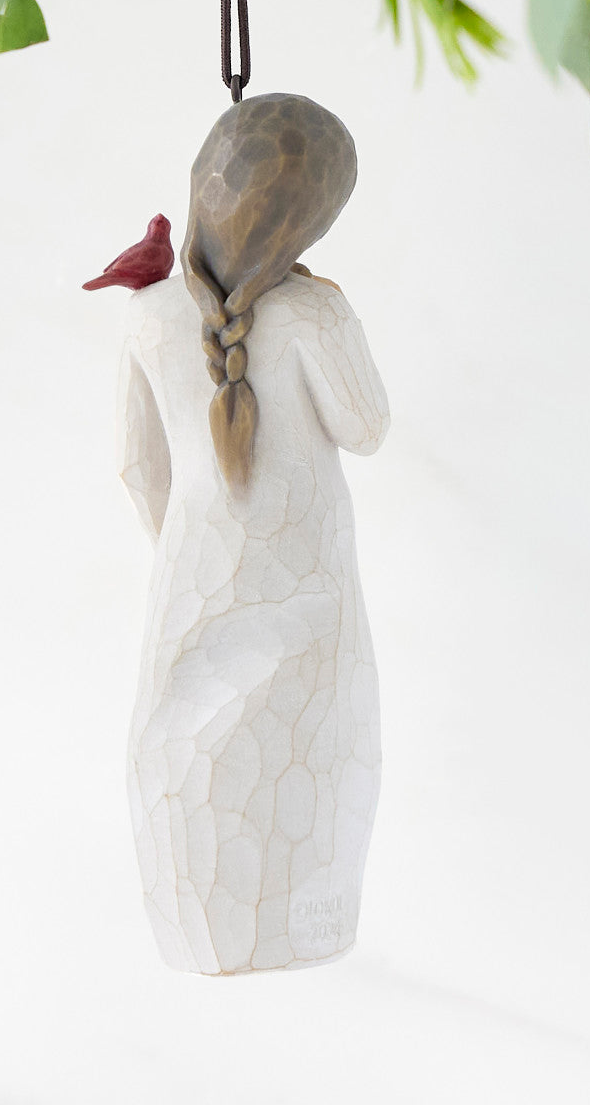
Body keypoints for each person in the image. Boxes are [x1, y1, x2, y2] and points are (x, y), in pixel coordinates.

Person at [117, 93, 390, 974]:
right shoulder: (312, 317)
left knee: (183, 749)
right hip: (309, 581)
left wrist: (181, 550)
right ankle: (305, 923)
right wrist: (337, 314)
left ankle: (197, 934)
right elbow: (366, 424)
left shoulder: (150, 316)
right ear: (308, 223)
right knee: (315, 746)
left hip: (193, 575)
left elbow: (135, 468)